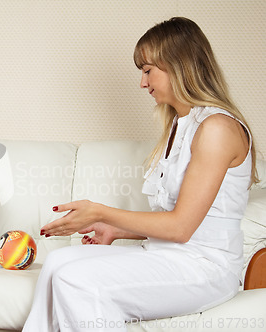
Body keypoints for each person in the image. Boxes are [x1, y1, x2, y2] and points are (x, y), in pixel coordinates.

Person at [23, 17, 258, 331]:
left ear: (179, 66)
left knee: (75, 280)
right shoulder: (179, 125)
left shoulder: (217, 128)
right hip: (167, 256)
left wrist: (100, 211)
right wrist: (116, 230)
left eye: (148, 70)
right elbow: (185, 219)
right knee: (56, 263)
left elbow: (181, 228)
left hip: (205, 269)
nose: (142, 83)